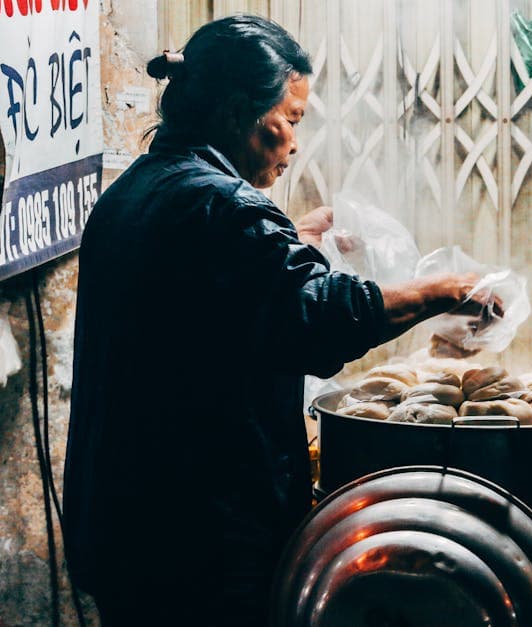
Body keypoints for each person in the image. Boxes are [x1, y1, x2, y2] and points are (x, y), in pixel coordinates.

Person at [63, 15, 494, 626]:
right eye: (290, 119)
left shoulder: (137, 190)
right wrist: (442, 290)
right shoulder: (222, 205)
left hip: (125, 524)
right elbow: (319, 318)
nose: (294, 142)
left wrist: (293, 238)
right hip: (201, 543)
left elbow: (215, 302)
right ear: (237, 111)